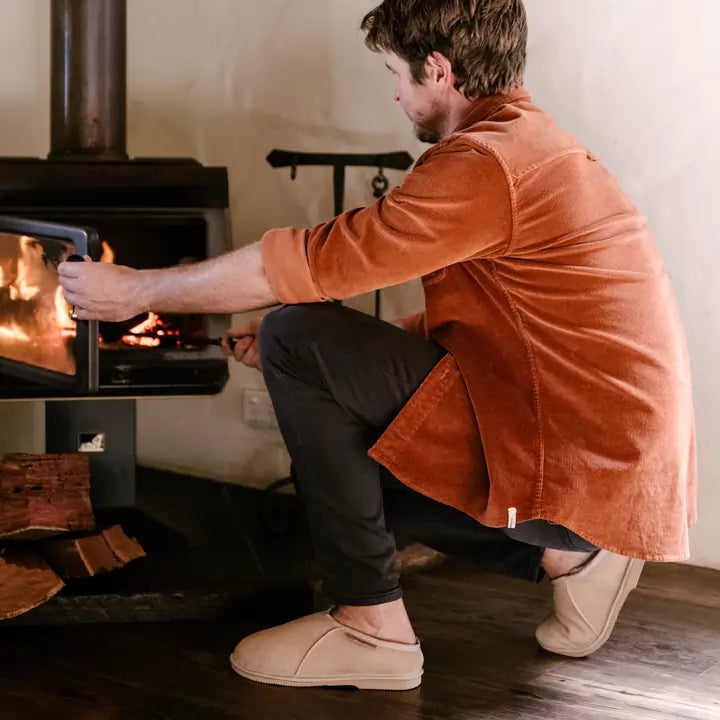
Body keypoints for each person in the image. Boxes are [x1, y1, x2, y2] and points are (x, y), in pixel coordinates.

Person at [59, 0, 696, 692]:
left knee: (297, 332)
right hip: (602, 454)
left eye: (397, 74)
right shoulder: (527, 146)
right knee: (347, 475)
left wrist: (135, 292)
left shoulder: (486, 165)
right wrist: (350, 361)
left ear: (440, 71)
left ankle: (374, 629)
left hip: (582, 458)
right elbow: (497, 332)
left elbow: (309, 264)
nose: (394, 92)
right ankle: (569, 561)